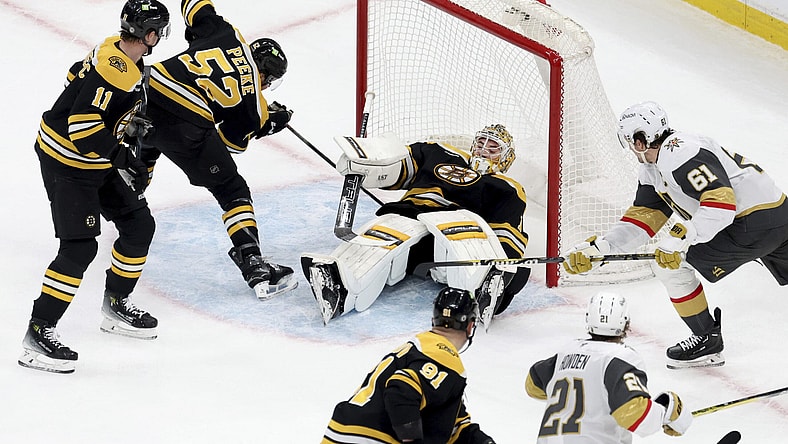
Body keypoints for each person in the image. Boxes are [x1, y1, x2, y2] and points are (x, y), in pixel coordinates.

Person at [563, 101, 788, 369]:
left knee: (670, 267)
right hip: (778, 215)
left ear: (639, 141)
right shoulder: (655, 167)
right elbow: (644, 219)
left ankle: (707, 340)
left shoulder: (680, 153)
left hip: (749, 224)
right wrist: (603, 248)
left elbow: (721, 204)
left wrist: (680, 238)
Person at [18, 0, 171, 374]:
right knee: (79, 248)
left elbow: (75, 77)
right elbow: (82, 129)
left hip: (94, 159)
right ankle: (38, 333)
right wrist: (123, 156)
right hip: (68, 163)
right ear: (149, 35)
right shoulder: (114, 72)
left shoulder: (112, 48)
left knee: (139, 226)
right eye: (159, 32)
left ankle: (116, 304)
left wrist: (125, 124)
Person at [141, 0, 297, 300]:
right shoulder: (254, 105)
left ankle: (125, 193)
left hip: (144, 92)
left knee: (149, 140)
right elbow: (227, 144)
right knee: (231, 188)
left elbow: (195, 5)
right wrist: (267, 124)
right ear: (266, 74)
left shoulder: (228, 34)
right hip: (186, 124)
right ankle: (253, 263)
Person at [301, 125, 530, 326]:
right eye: (481, 142)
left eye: (493, 147)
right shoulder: (440, 151)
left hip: (450, 237)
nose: (483, 149)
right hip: (410, 215)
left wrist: (502, 266)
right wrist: (366, 164)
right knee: (386, 233)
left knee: (467, 235)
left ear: (506, 158)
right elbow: (398, 164)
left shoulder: (507, 187)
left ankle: (483, 290)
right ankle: (341, 286)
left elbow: (505, 234)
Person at [323, 287, 495, 444]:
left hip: (341, 433)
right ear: (471, 326)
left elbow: (454, 425)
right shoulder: (444, 356)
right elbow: (401, 390)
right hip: (372, 437)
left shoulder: (420, 347)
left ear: (434, 320)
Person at [525, 292, 692, 443]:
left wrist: (591, 396)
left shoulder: (567, 352)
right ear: (626, 322)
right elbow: (633, 413)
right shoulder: (621, 358)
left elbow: (533, 385)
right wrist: (666, 414)